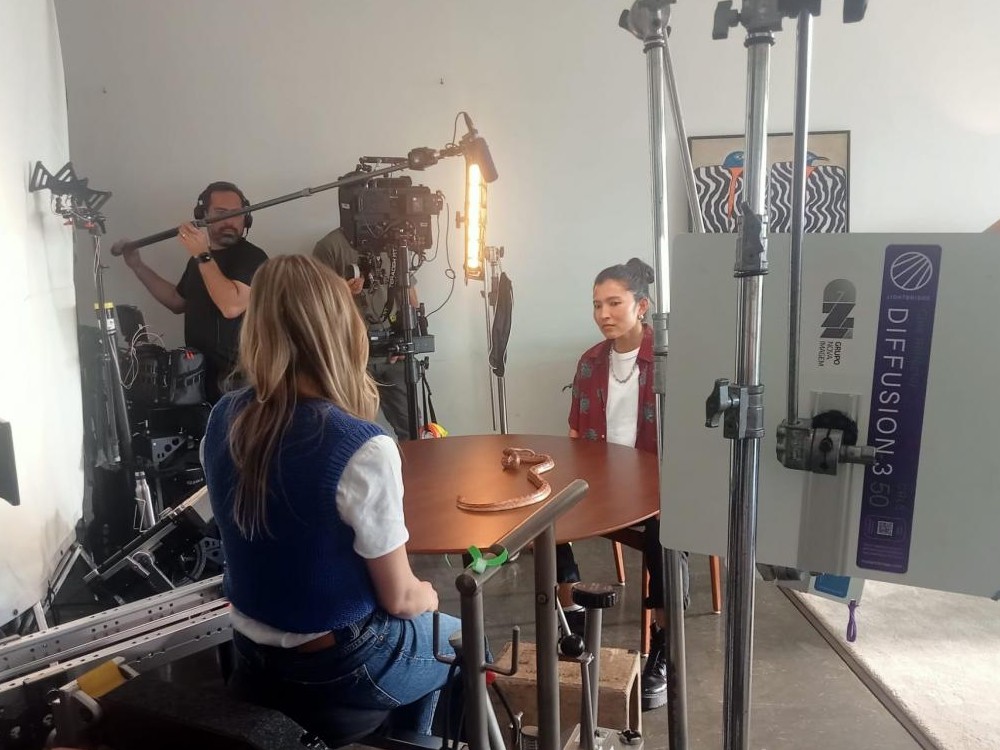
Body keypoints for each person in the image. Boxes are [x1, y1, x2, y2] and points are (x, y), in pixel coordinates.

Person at [200, 254, 459, 740]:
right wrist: (428, 594)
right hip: (337, 662)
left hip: (250, 650)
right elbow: (401, 598)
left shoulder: (223, 418)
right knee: (465, 642)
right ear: (340, 327)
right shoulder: (361, 445)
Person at [561, 257, 688, 713]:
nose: (603, 314)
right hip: (602, 482)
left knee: (667, 534)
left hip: (658, 487)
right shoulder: (591, 362)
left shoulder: (669, 360)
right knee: (544, 514)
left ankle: (665, 644)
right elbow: (575, 435)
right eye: (597, 305)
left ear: (642, 306)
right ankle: (572, 618)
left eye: (614, 303)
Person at [116, 181, 268, 402]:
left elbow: (231, 306)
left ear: (247, 218)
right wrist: (137, 266)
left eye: (237, 214)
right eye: (221, 213)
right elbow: (176, 301)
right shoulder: (200, 261)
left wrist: (202, 255)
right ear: (203, 215)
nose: (230, 221)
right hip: (196, 377)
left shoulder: (252, 257)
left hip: (239, 384)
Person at [313, 226, 420, 441]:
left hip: (394, 349)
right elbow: (316, 305)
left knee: (412, 429)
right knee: (351, 431)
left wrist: (410, 337)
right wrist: (343, 292)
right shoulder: (329, 247)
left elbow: (409, 293)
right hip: (351, 353)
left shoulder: (395, 242)